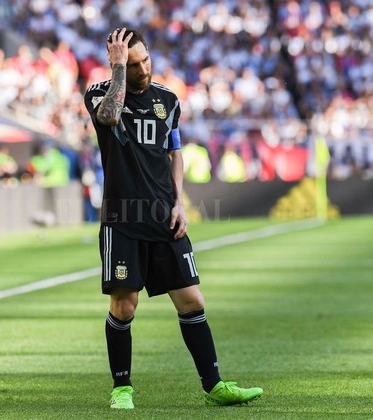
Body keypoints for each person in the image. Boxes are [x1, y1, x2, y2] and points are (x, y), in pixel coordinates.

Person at [83, 28, 263, 410]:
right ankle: (122, 389)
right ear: (117, 64)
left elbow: (174, 152)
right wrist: (118, 70)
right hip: (122, 220)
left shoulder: (168, 100)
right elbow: (110, 116)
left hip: (165, 216)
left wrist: (179, 202)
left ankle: (214, 386)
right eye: (133, 64)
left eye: (145, 60)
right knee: (124, 306)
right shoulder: (100, 94)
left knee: (192, 300)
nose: (143, 70)